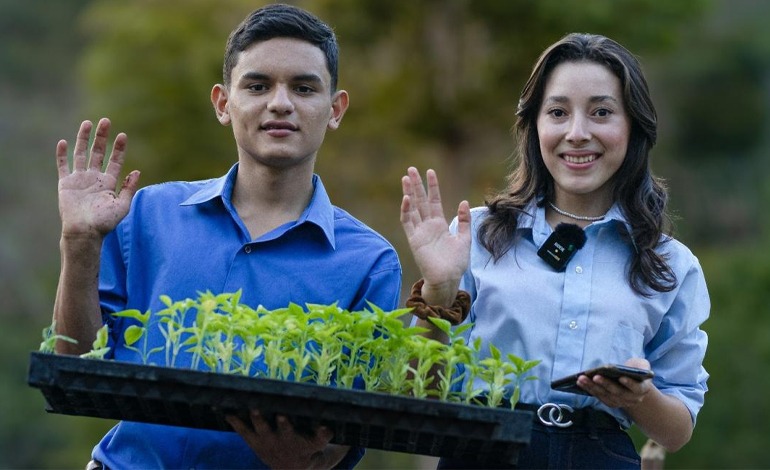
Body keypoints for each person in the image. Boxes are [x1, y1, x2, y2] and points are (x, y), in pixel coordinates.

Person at [53, 4, 401, 469]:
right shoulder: (149, 214)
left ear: (334, 109)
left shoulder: (370, 261)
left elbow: (346, 437)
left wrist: (300, 461)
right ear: (223, 103)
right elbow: (77, 368)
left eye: (303, 87)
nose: (281, 103)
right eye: (258, 86)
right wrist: (78, 245)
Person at [400, 32, 709, 469]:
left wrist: (639, 397)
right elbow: (416, 387)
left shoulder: (671, 264)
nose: (577, 133)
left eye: (601, 112)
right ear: (535, 126)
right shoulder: (480, 235)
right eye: (558, 112)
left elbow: (676, 432)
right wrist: (438, 289)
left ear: (633, 126)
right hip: (483, 450)